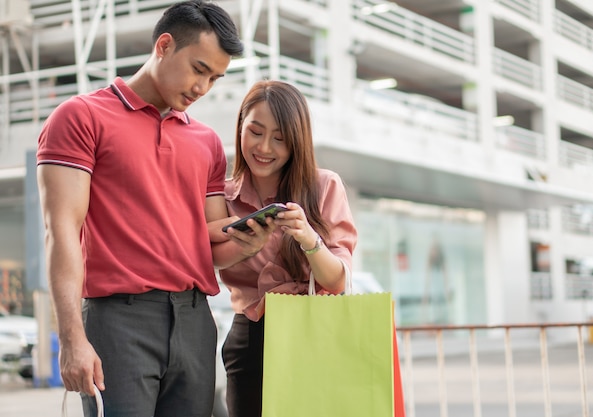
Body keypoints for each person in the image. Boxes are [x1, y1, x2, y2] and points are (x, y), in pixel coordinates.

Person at [36, 2, 273, 416]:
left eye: (215, 78)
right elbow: (62, 232)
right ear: (164, 45)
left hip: (195, 320)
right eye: (199, 69)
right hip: (118, 322)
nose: (203, 87)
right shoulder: (81, 117)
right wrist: (72, 338)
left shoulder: (207, 142)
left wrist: (253, 240)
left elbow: (212, 242)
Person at [211, 80, 358, 417]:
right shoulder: (222, 196)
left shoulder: (324, 186)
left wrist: (308, 238)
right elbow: (208, 258)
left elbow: (337, 280)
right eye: (255, 131)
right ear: (240, 128)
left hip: (314, 333)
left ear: (296, 142)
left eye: (280, 138)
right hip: (250, 338)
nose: (264, 147)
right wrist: (245, 245)